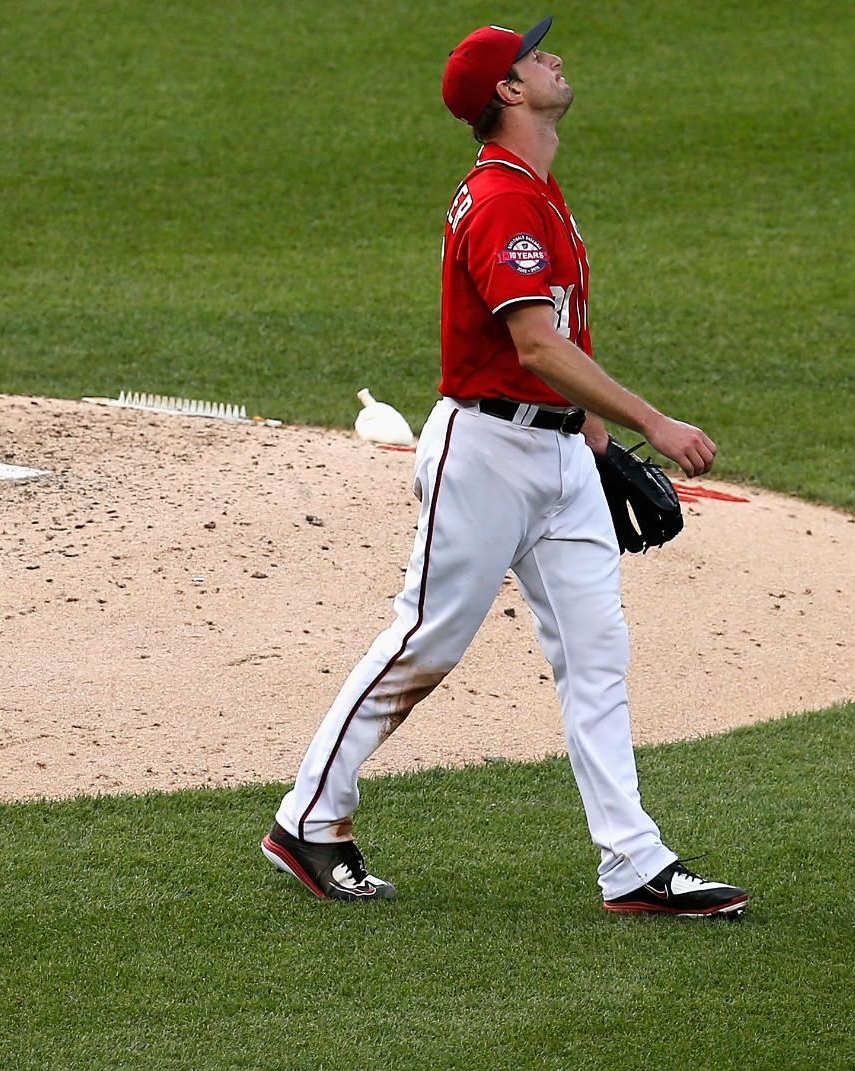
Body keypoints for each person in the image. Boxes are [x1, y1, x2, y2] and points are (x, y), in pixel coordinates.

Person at [260, 16, 747, 918]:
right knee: (427, 641)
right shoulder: (501, 201)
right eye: (534, 56)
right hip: (484, 455)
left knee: (597, 655)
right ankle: (308, 819)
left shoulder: (540, 188)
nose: (553, 56)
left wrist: (595, 446)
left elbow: (561, 333)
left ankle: (632, 862)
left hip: (558, 454)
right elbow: (532, 342)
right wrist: (651, 422)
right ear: (508, 93)